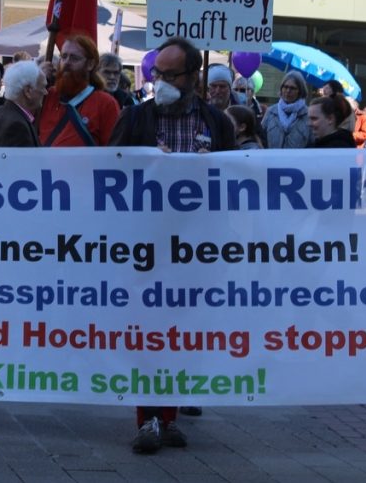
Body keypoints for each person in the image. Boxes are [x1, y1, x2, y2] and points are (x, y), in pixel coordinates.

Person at [109, 36, 236, 454]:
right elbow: (109, 176)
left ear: (193, 77)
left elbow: (234, 184)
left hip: (198, 248)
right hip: (145, 247)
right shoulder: (136, 118)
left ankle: (170, 416)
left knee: (184, 334)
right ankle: (146, 419)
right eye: (155, 72)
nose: (159, 80)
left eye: (168, 74)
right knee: (148, 333)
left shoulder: (217, 124)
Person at [38, 36, 120, 147]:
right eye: (64, 57)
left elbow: (114, 153)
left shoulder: (106, 103)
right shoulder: (47, 95)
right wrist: (37, 80)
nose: (66, 63)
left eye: (74, 58)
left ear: (90, 64)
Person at [0, 60, 46, 147]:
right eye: (43, 87)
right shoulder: (16, 126)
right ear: (28, 91)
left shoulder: (1, 113)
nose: (45, 92)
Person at [262, 72, 312, 149]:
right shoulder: (271, 111)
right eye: (285, 87)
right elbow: (261, 137)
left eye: (292, 88)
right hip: (272, 159)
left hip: (299, 160)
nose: (288, 91)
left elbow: (312, 142)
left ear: (300, 91)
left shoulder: (307, 114)